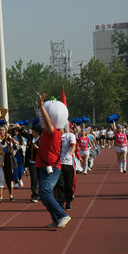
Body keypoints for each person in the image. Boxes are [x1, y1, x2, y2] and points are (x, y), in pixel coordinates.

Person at [36, 94, 71, 228]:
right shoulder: (45, 133)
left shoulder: (54, 133)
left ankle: (62, 215)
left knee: (44, 192)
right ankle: (56, 219)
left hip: (52, 168)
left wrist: (41, 107)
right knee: (44, 194)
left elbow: (48, 122)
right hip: (44, 167)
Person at [55, 124, 76, 210]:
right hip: (58, 163)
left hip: (67, 163)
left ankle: (68, 202)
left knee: (68, 183)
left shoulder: (70, 135)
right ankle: (61, 202)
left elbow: (73, 146)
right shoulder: (57, 136)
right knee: (60, 183)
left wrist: (70, 154)